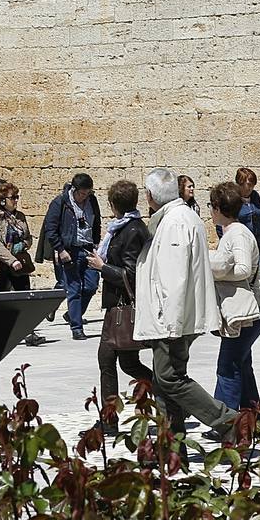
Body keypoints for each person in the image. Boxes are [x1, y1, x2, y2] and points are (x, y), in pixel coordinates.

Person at [133, 167, 237, 438]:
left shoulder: (175, 223)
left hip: (172, 318)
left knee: (169, 378)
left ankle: (228, 422)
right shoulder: (180, 217)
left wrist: (171, 323)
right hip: (175, 316)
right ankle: (171, 443)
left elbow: (174, 278)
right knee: (163, 380)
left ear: (149, 196)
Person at [85, 180, 154, 433]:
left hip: (122, 307)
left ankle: (109, 421)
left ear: (114, 205)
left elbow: (132, 274)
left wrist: (102, 267)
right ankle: (170, 395)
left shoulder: (132, 230)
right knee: (128, 363)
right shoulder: (123, 228)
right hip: (116, 304)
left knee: (107, 359)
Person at [209, 182, 260, 417]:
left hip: (250, 310)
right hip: (251, 310)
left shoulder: (238, 233)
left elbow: (244, 269)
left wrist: (214, 270)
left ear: (218, 207)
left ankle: (225, 420)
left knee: (228, 365)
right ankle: (252, 420)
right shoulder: (233, 232)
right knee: (242, 365)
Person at [44, 173, 103, 340]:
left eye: (88, 193)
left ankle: (72, 314)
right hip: (70, 251)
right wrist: (60, 250)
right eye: (82, 194)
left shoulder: (92, 201)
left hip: (88, 249)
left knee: (91, 285)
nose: (84, 197)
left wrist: (96, 243)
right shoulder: (60, 202)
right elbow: (51, 228)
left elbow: (96, 221)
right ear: (74, 190)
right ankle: (77, 328)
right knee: (74, 288)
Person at [0, 182, 32, 291]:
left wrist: (23, 245)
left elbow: (28, 237)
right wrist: (11, 260)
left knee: (24, 294)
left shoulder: (20, 216)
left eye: (17, 197)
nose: (16, 200)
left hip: (19, 261)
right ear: (3, 200)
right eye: (13, 197)